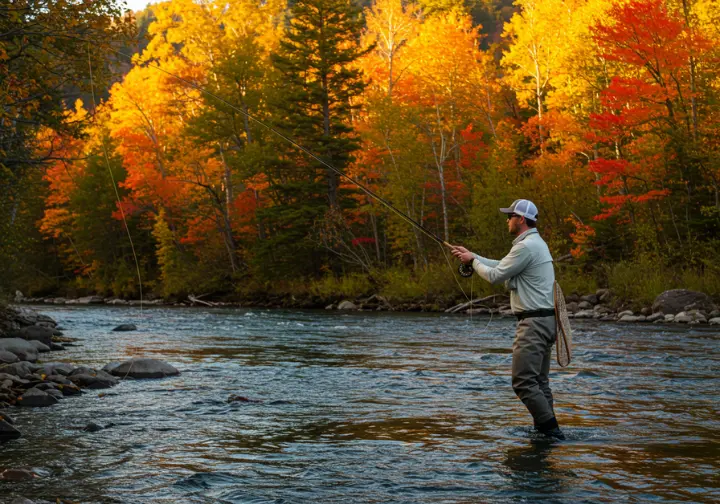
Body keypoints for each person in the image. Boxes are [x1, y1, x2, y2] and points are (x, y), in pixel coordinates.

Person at [451, 199, 565, 440]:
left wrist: (473, 262)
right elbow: (503, 266)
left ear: (520, 219)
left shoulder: (526, 247)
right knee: (539, 382)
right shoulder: (534, 243)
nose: (507, 220)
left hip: (533, 324)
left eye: (510, 216)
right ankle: (547, 434)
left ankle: (551, 433)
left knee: (523, 382)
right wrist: (473, 256)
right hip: (546, 321)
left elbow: (494, 275)